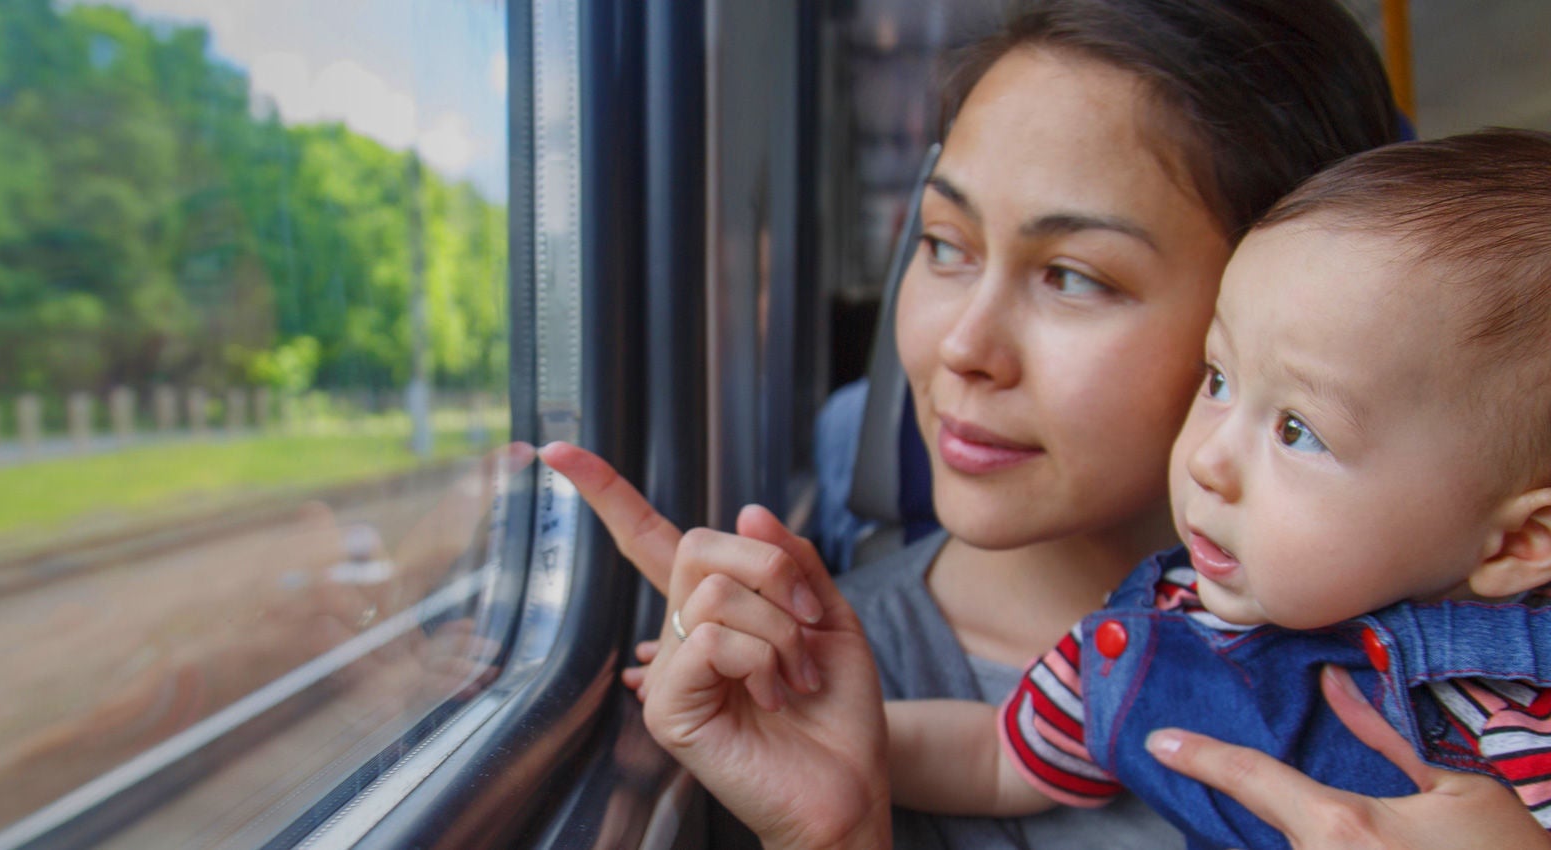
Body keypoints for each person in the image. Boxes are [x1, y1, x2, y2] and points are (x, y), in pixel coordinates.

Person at [540, 0, 1551, 847]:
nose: (962, 347)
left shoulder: (1491, 676)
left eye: (1074, 276)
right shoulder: (815, 691)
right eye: (942, 245)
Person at [875, 129, 1551, 850]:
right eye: (1219, 380)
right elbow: (1000, 755)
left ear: (1518, 542)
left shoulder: (1520, 723)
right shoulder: (1163, 635)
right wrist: (853, 737)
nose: (1206, 459)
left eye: (1298, 431)